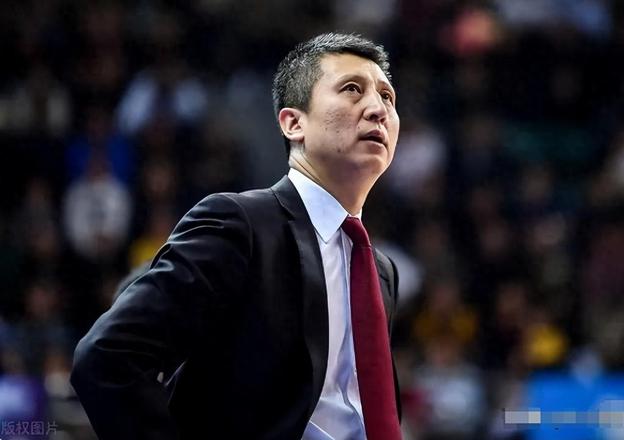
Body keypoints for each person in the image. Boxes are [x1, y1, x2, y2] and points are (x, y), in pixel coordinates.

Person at [70, 32, 402, 440]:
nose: (378, 109)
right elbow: (107, 358)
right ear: (293, 122)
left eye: (387, 97)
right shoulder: (238, 224)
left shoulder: (381, 272)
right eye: (352, 89)